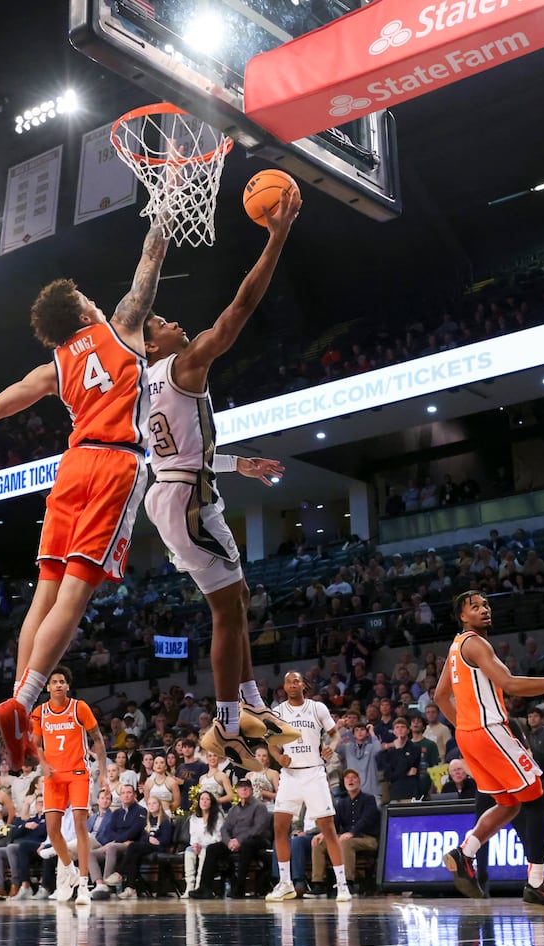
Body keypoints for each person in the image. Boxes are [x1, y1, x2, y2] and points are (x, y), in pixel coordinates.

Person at [0, 218, 169, 769]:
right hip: (116, 462)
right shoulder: (123, 325)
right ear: (83, 310)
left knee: (44, 593)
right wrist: (165, 210)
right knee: (76, 593)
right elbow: (150, 260)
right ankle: (24, 702)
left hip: (70, 468)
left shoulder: (53, 367)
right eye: (86, 296)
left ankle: (21, 714)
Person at [140, 186, 303, 766]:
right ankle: (229, 723)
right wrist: (277, 238)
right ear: (152, 344)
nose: (172, 321)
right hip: (187, 500)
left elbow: (183, 450)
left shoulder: (142, 387)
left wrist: (239, 464)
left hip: (177, 490)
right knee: (226, 609)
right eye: (160, 321)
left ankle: (252, 704)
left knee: (234, 602)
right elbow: (239, 311)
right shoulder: (182, 364)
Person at [433, 591, 544, 905]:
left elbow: (439, 697)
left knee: (509, 804)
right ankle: (536, 883)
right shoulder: (476, 643)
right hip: (490, 731)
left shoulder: (455, 647)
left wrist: (465, 727)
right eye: (474, 607)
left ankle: (465, 853)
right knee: (536, 800)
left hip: (470, 735)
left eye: (486, 605)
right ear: (463, 616)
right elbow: (511, 684)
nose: (484, 610)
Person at [265, 671, 352, 901]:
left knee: (328, 829)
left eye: (297, 681)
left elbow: (335, 735)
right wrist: (278, 757)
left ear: (303, 685)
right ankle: (285, 883)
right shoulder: (278, 712)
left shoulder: (317, 708)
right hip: (290, 775)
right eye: (289, 682)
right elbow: (271, 744)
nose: (293, 685)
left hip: (314, 773)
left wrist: (331, 746)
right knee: (279, 827)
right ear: (284, 686)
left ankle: (342, 885)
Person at [31, 666, 106, 904]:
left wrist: (103, 772)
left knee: (80, 825)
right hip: (53, 777)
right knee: (52, 830)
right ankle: (70, 870)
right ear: (48, 687)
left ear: (68, 686)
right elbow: (35, 744)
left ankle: (84, 884)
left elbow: (98, 738)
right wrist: (42, 763)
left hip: (78, 773)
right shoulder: (40, 712)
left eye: (62, 681)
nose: (59, 685)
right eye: (54, 681)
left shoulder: (79, 707)